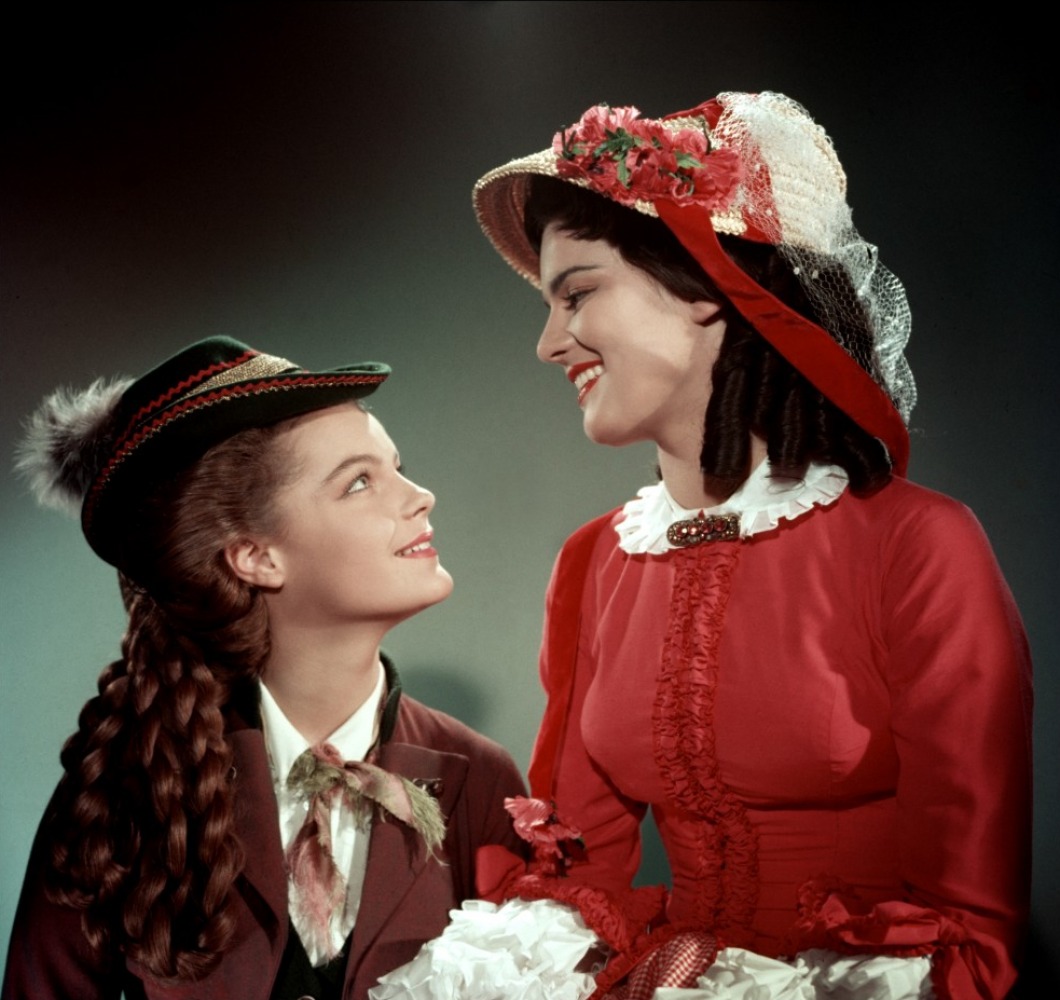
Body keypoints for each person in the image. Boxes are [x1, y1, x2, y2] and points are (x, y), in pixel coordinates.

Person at [467, 92, 1032, 999]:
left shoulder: (918, 543)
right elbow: (576, 876)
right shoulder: (594, 561)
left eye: (577, 294)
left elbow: (968, 930)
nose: (548, 344)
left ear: (703, 286)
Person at [2, 336, 527, 1000]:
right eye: (359, 482)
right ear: (255, 556)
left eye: (398, 468)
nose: (420, 496)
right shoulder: (124, 789)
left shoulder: (480, 779)